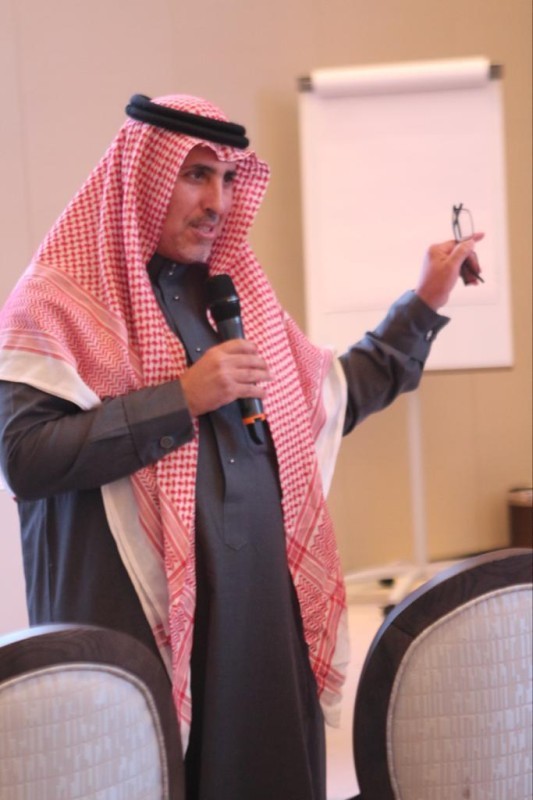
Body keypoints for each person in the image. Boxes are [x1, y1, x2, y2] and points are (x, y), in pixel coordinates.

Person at [0, 93, 482, 800]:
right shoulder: (56, 304)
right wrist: (181, 398)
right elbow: (25, 456)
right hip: (137, 627)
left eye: (228, 179)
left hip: (260, 623)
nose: (217, 202)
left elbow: (330, 399)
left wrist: (424, 303)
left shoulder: (231, 301)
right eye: (196, 174)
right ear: (141, 175)